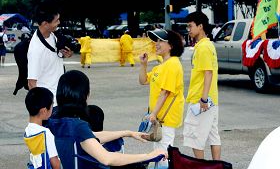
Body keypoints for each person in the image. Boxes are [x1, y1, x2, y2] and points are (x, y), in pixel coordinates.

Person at [48, 70, 167, 168]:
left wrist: (128, 133)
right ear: (84, 95)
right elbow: (107, 158)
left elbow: (90, 136)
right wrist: (148, 156)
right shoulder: (77, 125)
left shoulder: (56, 118)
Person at [139, 29, 185, 168]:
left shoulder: (172, 64)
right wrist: (143, 64)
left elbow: (165, 93)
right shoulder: (162, 66)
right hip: (159, 120)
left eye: (160, 41)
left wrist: (153, 114)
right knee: (159, 153)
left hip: (166, 119)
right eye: (156, 41)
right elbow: (143, 80)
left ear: (171, 45)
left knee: (163, 154)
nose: (156, 44)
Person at [183, 11, 221, 160]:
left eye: (190, 26)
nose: (188, 29)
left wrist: (203, 99)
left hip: (201, 100)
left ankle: (201, 166)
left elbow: (208, 73)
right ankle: (216, 165)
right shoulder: (207, 45)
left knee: (194, 136)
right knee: (213, 135)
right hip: (212, 100)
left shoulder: (204, 47)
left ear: (200, 26)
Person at [27, 4, 73, 110]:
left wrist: (66, 54)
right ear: (45, 23)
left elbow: (55, 56)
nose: (59, 23)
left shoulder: (52, 35)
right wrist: (42, 108)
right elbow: (31, 83)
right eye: (56, 20)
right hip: (50, 104)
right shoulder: (36, 49)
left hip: (60, 98)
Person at [24, 87, 60, 169]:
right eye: (51, 105)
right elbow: (55, 163)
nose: (52, 108)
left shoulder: (28, 130)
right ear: (44, 111)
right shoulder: (46, 133)